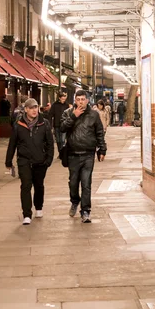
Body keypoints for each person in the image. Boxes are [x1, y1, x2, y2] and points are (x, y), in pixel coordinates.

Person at [60, 89, 107, 224]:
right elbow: (62, 128)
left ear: (87, 100)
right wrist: (73, 116)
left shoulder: (93, 115)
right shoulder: (68, 113)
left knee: (86, 183)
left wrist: (102, 150)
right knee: (73, 183)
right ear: (75, 101)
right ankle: (75, 201)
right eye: (78, 99)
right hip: (73, 154)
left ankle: (85, 211)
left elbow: (99, 133)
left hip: (88, 154)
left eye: (83, 99)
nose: (81, 102)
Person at [5, 98, 54, 225]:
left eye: (36, 107)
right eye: (31, 108)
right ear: (25, 109)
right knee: (25, 186)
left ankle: (38, 207)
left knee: (39, 186)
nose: (34, 110)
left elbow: (50, 143)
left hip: (40, 161)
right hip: (24, 160)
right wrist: (8, 161)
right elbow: (12, 144)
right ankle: (27, 214)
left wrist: (48, 159)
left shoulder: (45, 123)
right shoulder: (18, 125)